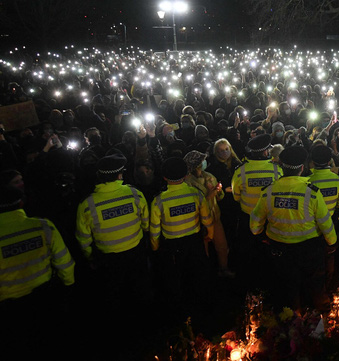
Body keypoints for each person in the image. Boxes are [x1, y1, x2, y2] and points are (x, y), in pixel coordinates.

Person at [250, 145, 337, 313]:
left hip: (279, 249)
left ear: (282, 167)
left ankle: (292, 321)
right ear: (302, 168)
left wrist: (261, 234)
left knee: (289, 287)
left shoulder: (269, 192)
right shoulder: (311, 193)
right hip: (309, 250)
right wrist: (332, 243)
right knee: (315, 285)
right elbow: (325, 222)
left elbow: (255, 224)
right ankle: (321, 323)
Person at [0, 186, 76, 356]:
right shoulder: (42, 226)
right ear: (21, 202)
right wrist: (68, 286)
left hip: (9, 311)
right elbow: (64, 262)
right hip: (45, 299)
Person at [75, 152, 150, 312]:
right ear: (119, 175)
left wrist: (90, 258)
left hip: (108, 260)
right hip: (136, 253)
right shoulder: (134, 193)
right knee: (140, 293)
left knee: (115, 296)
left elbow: (84, 239)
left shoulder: (87, 204)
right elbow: (146, 223)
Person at [150, 157, 214, 323]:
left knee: (176, 279)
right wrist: (210, 234)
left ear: (164, 178)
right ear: (186, 175)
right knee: (198, 276)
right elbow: (207, 219)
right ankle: (203, 311)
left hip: (173, 246)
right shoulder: (196, 194)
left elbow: (155, 230)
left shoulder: (159, 201)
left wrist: (155, 248)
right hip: (194, 242)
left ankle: (180, 315)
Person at [230, 133, 283, 277]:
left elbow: (236, 196)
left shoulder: (240, 171)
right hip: (269, 220)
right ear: (266, 151)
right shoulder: (276, 170)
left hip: (247, 219)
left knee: (248, 254)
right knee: (269, 255)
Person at [183, 150, 233, 278]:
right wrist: (209, 195)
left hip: (215, 216)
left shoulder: (209, 176)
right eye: (201, 161)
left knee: (222, 246)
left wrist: (218, 190)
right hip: (200, 221)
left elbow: (220, 197)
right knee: (203, 249)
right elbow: (193, 205)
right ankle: (206, 274)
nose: (204, 163)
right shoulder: (187, 183)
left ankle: (223, 268)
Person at [308, 144, 339, 288]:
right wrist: (337, 218)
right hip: (331, 224)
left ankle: (316, 288)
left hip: (313, 228)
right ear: (330, 160)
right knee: (330, 255)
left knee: (315, 260)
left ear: (312, 161)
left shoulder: (308, 180)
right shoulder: (337, 180)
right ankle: (328, 285)